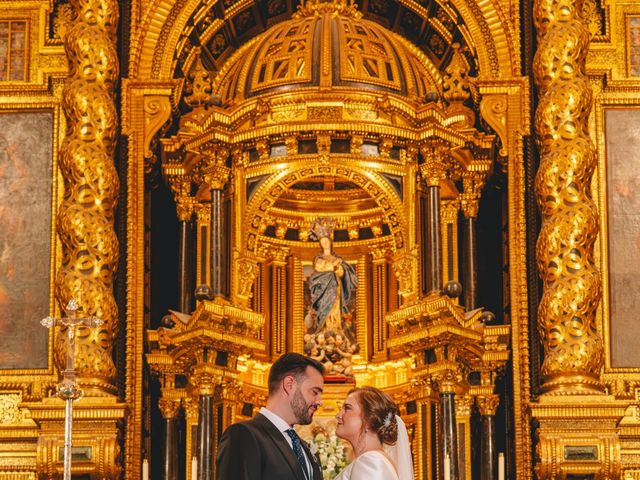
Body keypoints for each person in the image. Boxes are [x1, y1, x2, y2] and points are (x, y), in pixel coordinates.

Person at [216, 352, 325, 480]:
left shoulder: (306, 450)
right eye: (314, 392)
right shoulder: (244, 435)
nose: (320, 402)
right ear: (289, 385)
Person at [334, 386, 414, 480]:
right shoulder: (372, 459)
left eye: (347, 408)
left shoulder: (370, 461)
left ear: (369, 419)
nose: (338, 415)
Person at [308, 219, 357, 332]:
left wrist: (338, 268)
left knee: (335, 309)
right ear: (320, 244)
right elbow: (321, 267)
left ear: (330, 242)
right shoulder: (318, 259)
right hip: (323, 291)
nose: (325, 243)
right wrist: (334, 265)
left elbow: (341, 272)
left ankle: (335, 328)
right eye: (322, 242)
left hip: (336, 288)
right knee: (324, 309)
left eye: (326, 241)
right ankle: (325, 329)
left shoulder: (337, 259)